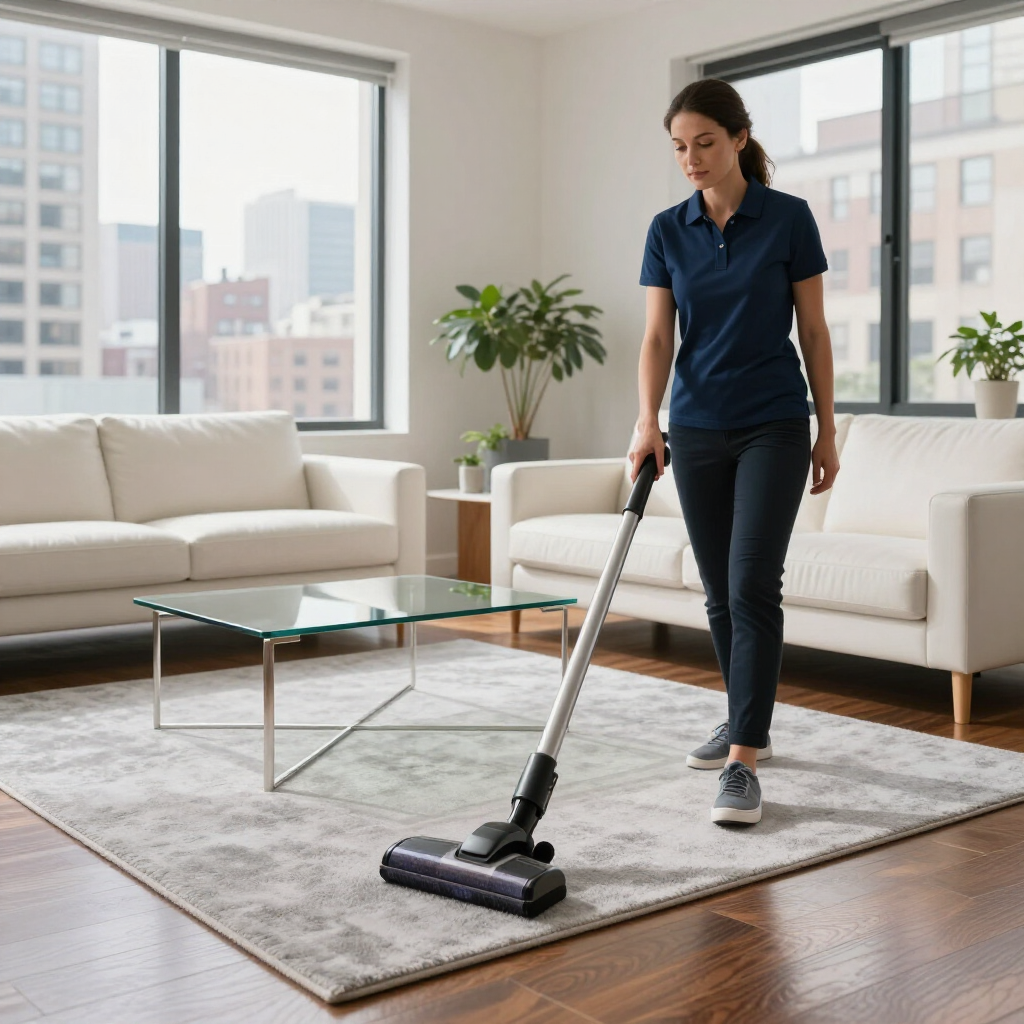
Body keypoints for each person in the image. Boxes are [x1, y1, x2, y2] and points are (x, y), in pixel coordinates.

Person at [629, 78, 840, 826]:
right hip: (695, 428)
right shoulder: (668, 228)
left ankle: (743, 761)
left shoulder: (788, 218)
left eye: (705, 143)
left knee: (752, 583)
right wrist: (647, 421)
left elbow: (813, 330)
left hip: (773, 424)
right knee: (718, 590)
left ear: (739, 139)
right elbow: (659, 335)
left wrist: (827, 428)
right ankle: (745, 718)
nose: (691, 158)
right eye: (679, 147)